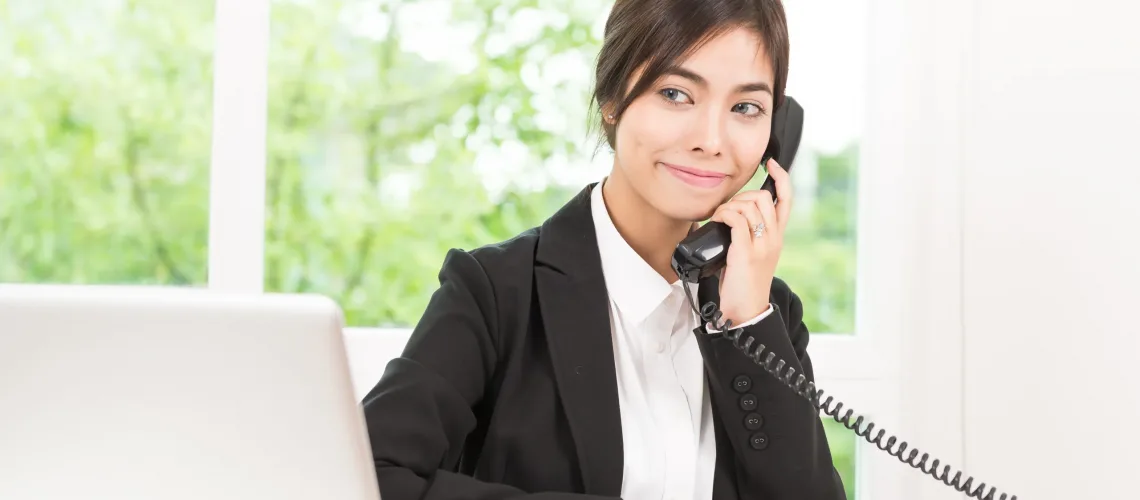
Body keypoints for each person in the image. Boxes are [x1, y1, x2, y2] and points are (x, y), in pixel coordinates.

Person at [360, 0, 847, 498]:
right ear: (612, 97)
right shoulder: (496, 293)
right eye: (676, 94)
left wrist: (748, 323)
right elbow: (372, 475)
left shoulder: (766, 312)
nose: (711, 140)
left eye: (746, 107)